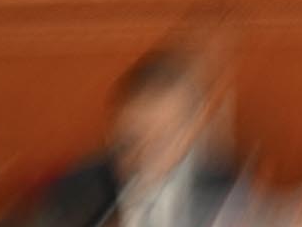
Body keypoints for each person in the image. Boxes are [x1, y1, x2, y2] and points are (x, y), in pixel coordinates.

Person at [25, 50, 239, 227]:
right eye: (135, 136)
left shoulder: (227, 194)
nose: (147, 150)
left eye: (164, 137)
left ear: (193, 131)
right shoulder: (77, 189)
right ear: (113, 131)